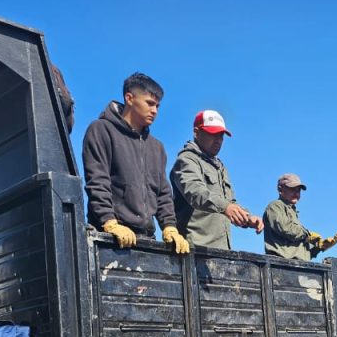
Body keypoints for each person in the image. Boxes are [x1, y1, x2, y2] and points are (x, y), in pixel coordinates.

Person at [82, 73, 188, 254]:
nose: (155, 110)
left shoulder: (157, 147)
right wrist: (109, 221)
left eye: (158, 106)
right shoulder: (101, 130)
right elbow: (97, 180)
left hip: (147, 241)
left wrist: (170, 227)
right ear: (129, 98)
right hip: (110, 241)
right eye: (150, 103)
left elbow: (163, 193)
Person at [170, 110, 263, 250]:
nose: (218, 140)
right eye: (213, 134)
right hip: (194, 250)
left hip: (221, 251)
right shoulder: (186, 160)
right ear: (196, 132)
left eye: (221, 135)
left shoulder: (220, 167)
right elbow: (196, 192)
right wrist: (225, 207)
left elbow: (230, 203)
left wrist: (247, 218)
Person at [262, 173, 337, 260]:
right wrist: (307, 235)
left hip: (295, 266)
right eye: (292, 189)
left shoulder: (292, 211)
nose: (296, 193)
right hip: (281, 264)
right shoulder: (275, 206)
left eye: (298, 190)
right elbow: (286, 228)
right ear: (280, 189)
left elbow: (301, 253)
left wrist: (320, 247)